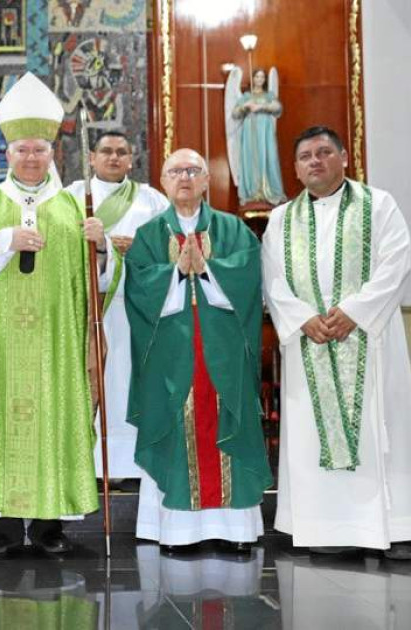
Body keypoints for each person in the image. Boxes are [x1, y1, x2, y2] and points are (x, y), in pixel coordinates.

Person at [262, 125, 411, 560]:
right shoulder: (281, 218)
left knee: (386, 429)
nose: (315, 161)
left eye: (324, 152)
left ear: (344, 157)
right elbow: (272, 278)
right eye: (306, 156)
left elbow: (395, 263)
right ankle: (325, 528)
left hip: (370, 341)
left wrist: (355, 313)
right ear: (296, 168)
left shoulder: (378, 205)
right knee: (312, 437)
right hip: (310, 343)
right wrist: (304, 319)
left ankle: (396, 528)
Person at [0, 72, 106, 554]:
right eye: (22, 150)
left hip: (58, 342)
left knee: (58, 417)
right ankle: (0, 526)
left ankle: (49, 526)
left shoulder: (75, 205)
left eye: (40, 149)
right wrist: (2, 241)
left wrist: (100, 249)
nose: (31, 157)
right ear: (7, 154)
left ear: (52, 153)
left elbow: (98, 285)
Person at [125, 148, 272, 552]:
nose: (185, 177)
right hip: (172, 354)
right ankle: (178, 531)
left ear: (208, 180)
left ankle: (236, 530)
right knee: (177, 425)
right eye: (175, 171)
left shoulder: (232, 230)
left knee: (225, 420)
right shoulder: (149, 235)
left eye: (194, 170)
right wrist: (174, 272)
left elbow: (248, 279)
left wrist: (207, 270)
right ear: (163, 182)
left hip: (222, 348)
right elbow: (137, 290)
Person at [64, 131, 168, 489]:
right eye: (106, 151)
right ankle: (86, 463)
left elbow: (169, 248)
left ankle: (129, 466)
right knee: (86, 381)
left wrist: (135, 247)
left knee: (126, 383)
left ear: (132, 159)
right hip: (84, 307)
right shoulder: (72, 197)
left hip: (133, 309)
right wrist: (104, 247)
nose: (113, 157)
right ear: (91, 157)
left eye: (121, 152)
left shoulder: (151, 200)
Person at [226, 67, 286, 207]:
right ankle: (253, 191)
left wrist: (262, 107)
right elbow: (235, 114)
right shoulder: (247, 96)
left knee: (268, 156)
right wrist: (245, 106)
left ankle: (269, 190)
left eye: (262, 77)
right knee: (251, 157)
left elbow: (278, 108)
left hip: (265, 130)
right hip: (250, 130)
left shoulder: (269, 95)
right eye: (257, 77)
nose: (259, 80)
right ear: (253, 79)